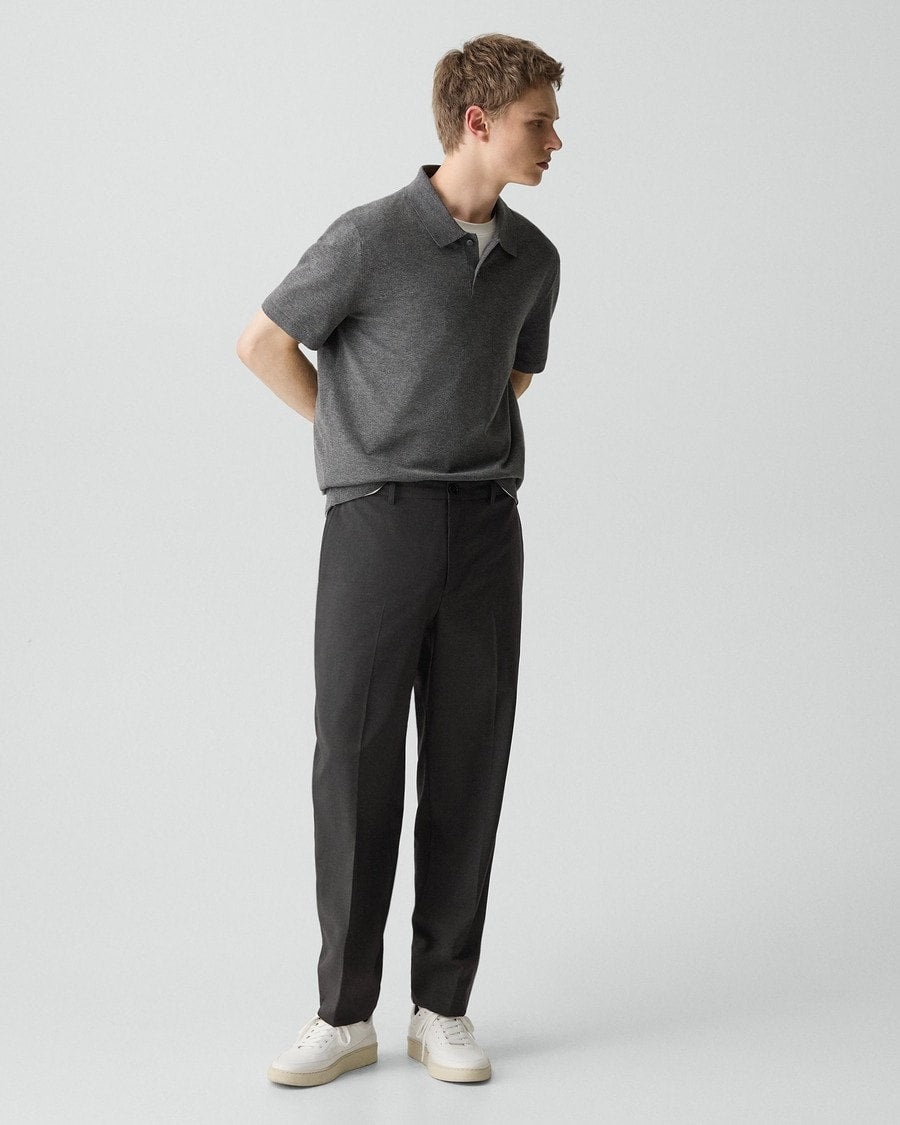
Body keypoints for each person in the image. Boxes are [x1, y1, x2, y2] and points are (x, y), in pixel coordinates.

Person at [236, 32, 563, 1087]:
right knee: (356, 757)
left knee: (470, 759)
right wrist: (358, 437)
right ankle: (343, 1014)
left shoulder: (536, 259)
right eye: (538, 122)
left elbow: (511, 376)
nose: (556, 140)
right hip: (376, 524)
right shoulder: (371, 237)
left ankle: (442, 1009)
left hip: (485, 532)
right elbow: (263, 342)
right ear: (477, 121)